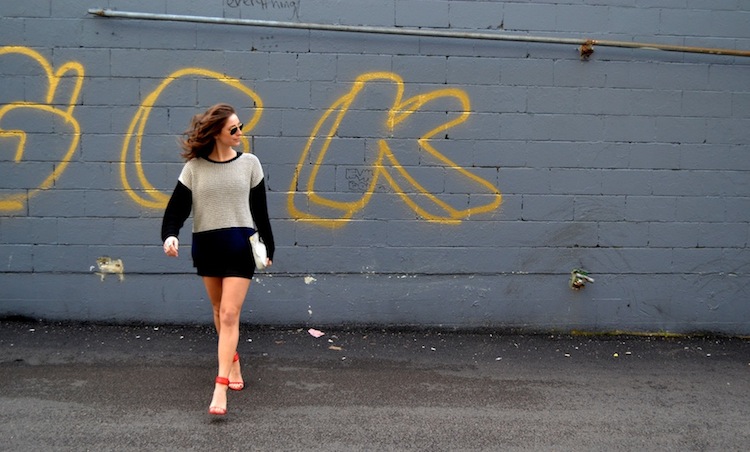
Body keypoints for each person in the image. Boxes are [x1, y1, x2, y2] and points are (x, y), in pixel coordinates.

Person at [161, 103, 275, 416]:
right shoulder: (195, 168)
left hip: (240, 247)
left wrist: (269, 248)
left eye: (240, 127)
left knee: (228, 313)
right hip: (207, 247)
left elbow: (260, 212)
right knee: (217, 309)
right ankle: (234, 362)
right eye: (234, 129)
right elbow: (175, 212)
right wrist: (170, 236)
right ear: (217, 134)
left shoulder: (250, 163)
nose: (240, 133)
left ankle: (220, 385)